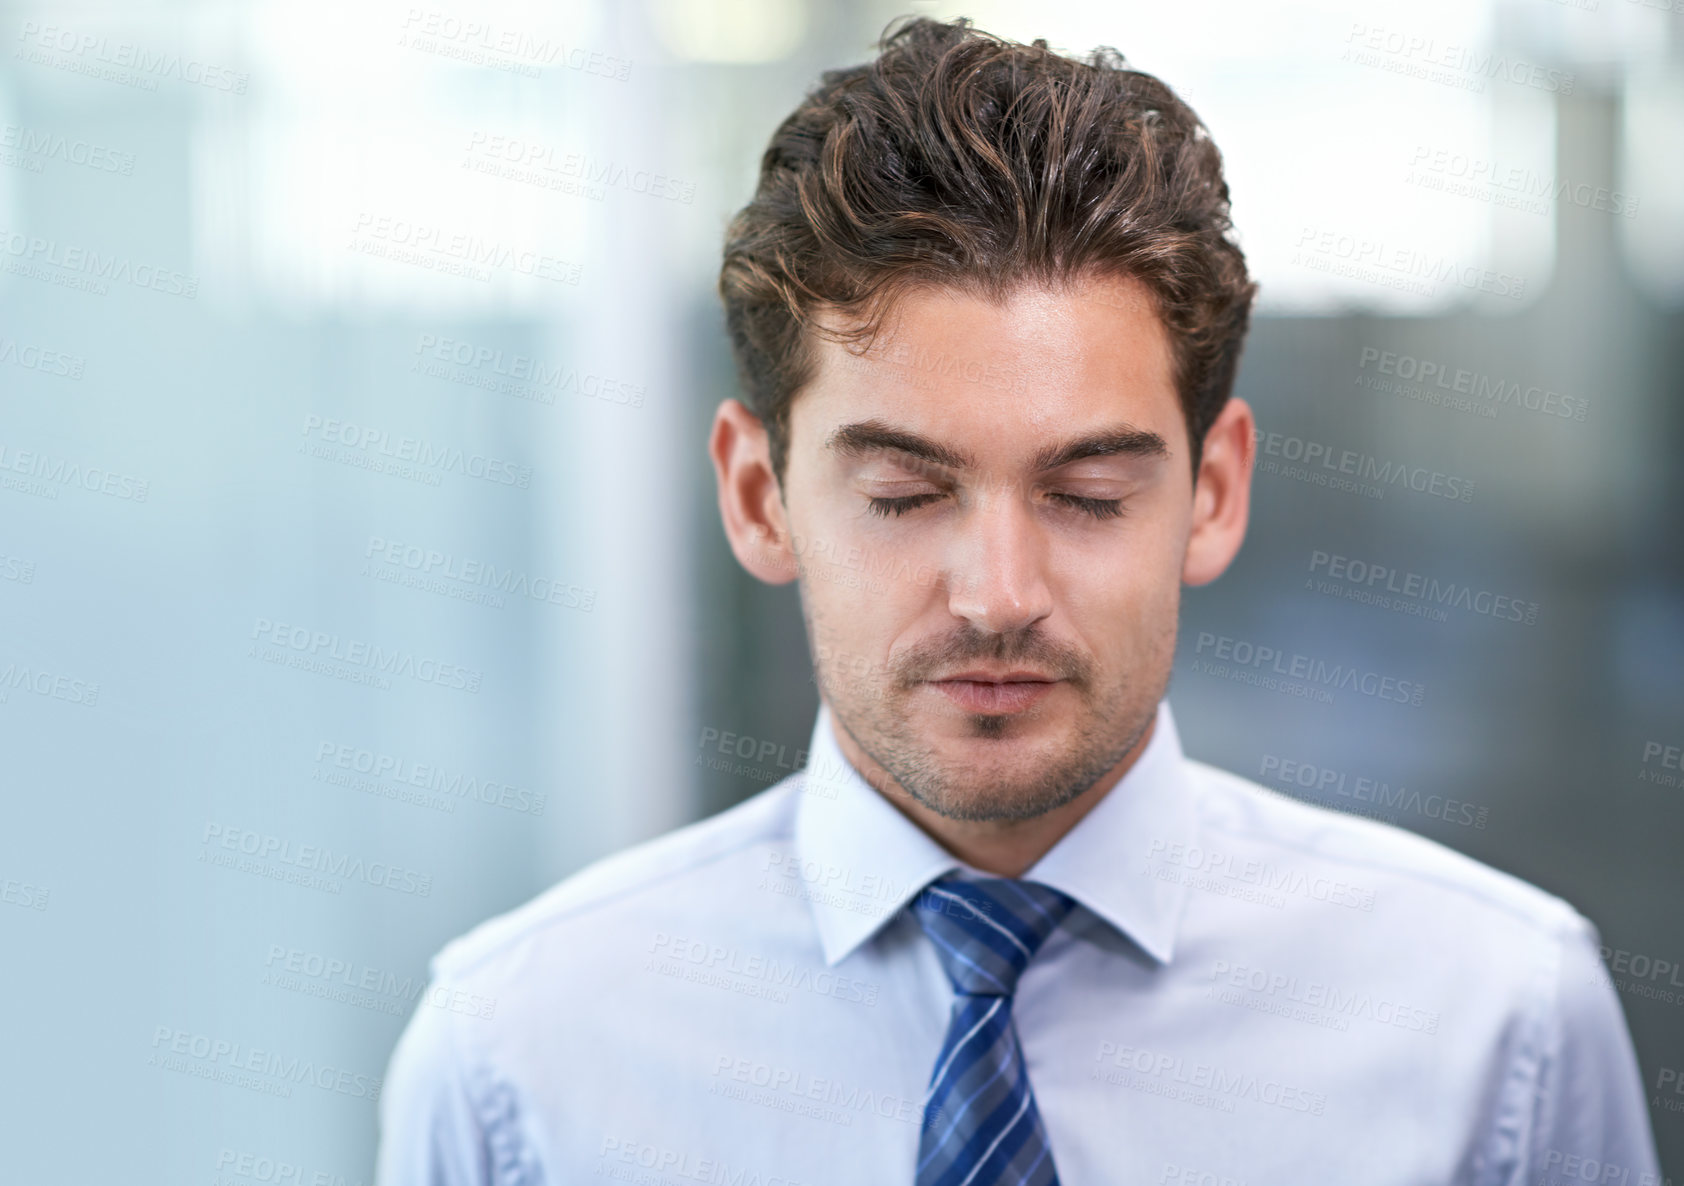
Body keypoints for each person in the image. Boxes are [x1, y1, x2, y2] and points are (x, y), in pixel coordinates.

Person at [377, 17, 1660, 1184]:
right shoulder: (519, 1060)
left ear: (1212, 493)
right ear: (759, 498)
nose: (998, 595)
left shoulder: (1497, 1023)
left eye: (1088, 492)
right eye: (901, 492)